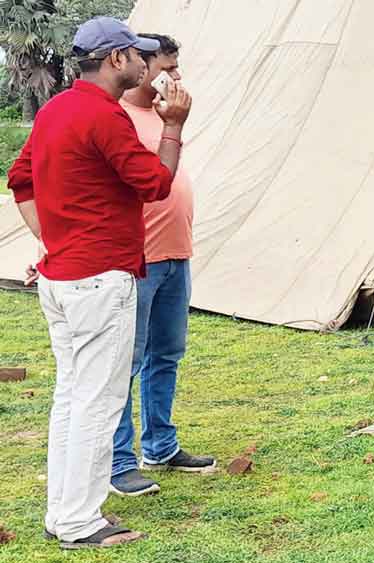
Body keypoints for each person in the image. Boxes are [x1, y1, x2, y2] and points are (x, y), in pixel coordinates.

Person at [7, 17, 192, 549]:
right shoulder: (103, 116)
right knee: (97, 401)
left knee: (73, 398)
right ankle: (78, 522)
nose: (143, 63)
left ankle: (64, 513)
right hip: (99, 279)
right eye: (137, 54)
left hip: (63, 277)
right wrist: (174, 125)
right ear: (116, 60)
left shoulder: (56, 110)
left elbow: (21, 179)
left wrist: (50, 240)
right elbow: (155, 183)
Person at [108, 34, 216, 498]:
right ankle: (117, 461)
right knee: (123, 363)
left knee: (166, 356)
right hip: (137, 259)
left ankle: (161, 445)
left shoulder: (162, 115)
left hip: (176, 254)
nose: (176, 77)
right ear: (138, 64)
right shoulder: (118, 117)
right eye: (167, 67)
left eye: (177, 68)